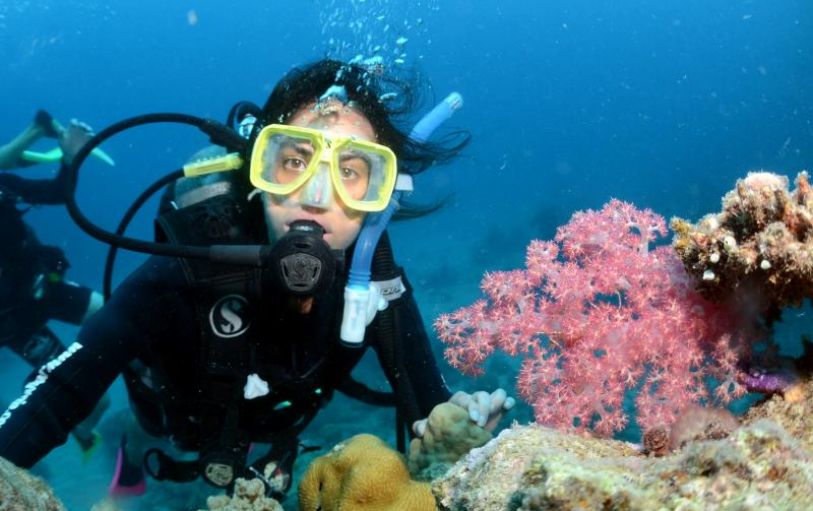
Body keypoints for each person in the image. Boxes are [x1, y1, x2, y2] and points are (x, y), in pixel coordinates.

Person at [0, 60, 514, 499]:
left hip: (274, 421)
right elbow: (56, 395)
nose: (317, 195)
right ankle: (129, 461)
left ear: (381, 195)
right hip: (176, 413)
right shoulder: (192, 256)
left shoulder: (374, 280)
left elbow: (432, 411)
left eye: (352, 171)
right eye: (293, 161)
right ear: (255, 169)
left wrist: (457, 432)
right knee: (147, 427)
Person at [0, 111, 111, 457]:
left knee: (114, 312)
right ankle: (78, 429)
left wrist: (69, 158)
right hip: (17, 321)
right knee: (98, 400)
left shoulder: (3, 185)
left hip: (45, 287)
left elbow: (57, 192)